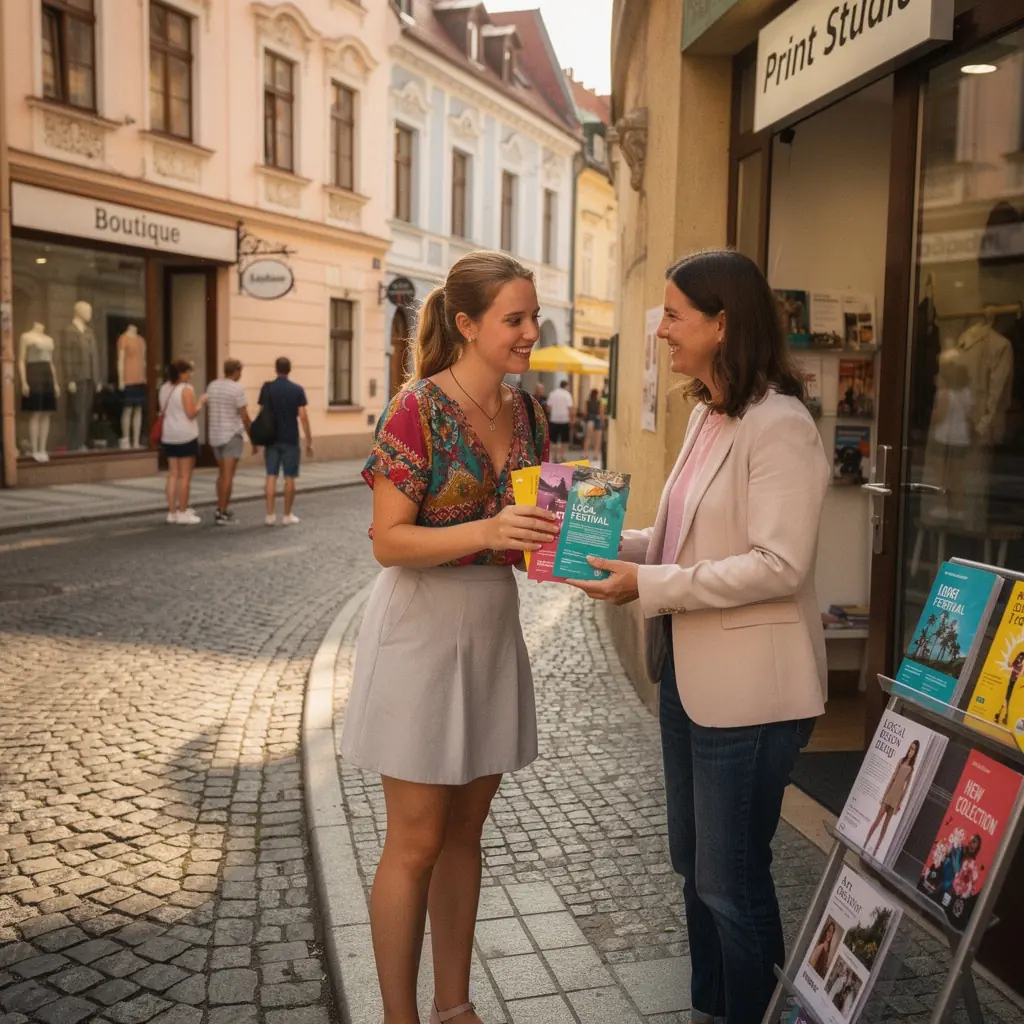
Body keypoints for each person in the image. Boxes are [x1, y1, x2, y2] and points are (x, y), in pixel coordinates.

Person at [570, 249, 830, 1024]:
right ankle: (714, 1008)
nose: (661, 331)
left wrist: (648, 584)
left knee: (731, 877)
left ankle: (758, 1012)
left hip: (753, 690)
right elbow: (684, 536)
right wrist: (614, 545)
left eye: (675, 315)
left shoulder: (780, 423)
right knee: (694, 866)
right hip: (689, 672)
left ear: (724, 323)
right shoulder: (706, 413)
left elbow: (777, 564)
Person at [340, 250, 556, 1024]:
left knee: (467, 831)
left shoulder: (528, 413)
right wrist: (490, 525)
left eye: (533, 316)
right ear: (466, 325)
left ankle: (454, 1007)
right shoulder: (416, 409)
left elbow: (528, 536)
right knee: (418, 839)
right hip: (421, 632)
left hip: (492, 623)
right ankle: (400, 1017)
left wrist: (566, 542)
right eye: (516, 319)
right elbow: (388, 541)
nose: (532, 331)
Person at [258, 356, 313, 526]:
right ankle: (287, 515)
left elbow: (262, 414)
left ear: (276, 369)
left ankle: (270, 515)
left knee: (271, 476)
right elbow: (303, 416)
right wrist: (309, 440)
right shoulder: (297, 389)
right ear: (289, 370)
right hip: (290, 438)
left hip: (271, 438)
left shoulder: (267, 389)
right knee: (289, 477)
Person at [158, 359, 206, 525]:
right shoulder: (186, 389)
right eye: (189, 371)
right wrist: (201, 402)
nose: (191, 374)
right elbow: (191, 413)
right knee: (185, 476)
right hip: (185, 434)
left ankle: (171, 512)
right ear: (182, 373)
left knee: (173, 474)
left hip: (169, 434)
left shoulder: (164, 388)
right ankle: (183, 511)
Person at [206, 359, 252, 525]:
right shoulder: (237, 389)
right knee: (228, 476)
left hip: (215, 435)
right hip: (231, 435)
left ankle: (221, 507)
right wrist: (253, 438)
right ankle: (222, 512)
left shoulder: (212, 386)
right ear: (236, 371)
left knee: (221, 474)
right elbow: (244, 415)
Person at [865, 739, 919, 856]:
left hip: (897, 798)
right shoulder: (901, 761)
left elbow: (906, 788)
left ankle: (875, 850)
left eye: (913, 749)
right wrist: (884, 795)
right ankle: (865, 843)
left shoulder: (911, 768)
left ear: (915, 752)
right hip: (890, 794)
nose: (910, 751)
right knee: (877, 821)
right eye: (910, 748)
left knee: (885, 827)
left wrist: (899, 804)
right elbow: (892, 779)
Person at [546, 379, 574, 461]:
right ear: (566, 386)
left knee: (553, 440)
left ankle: (554, 456)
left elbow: (548, 408)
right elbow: (570, 409)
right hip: (565, 420)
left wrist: (553, 413)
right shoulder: (567, 395)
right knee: (564, 440)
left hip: (554, 419)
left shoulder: (552, 393)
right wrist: (571, 420)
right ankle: (561, 456)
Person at [584, 387, 604, 462]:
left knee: (588, 438)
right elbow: (601, 412)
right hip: (598, 420)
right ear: (597, 394)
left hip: (590, 420)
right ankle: (596, 455)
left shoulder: (587, 402)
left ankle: (585, 454)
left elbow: (585, 412)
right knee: (597, 439)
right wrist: (602, 421)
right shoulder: (600, 402)